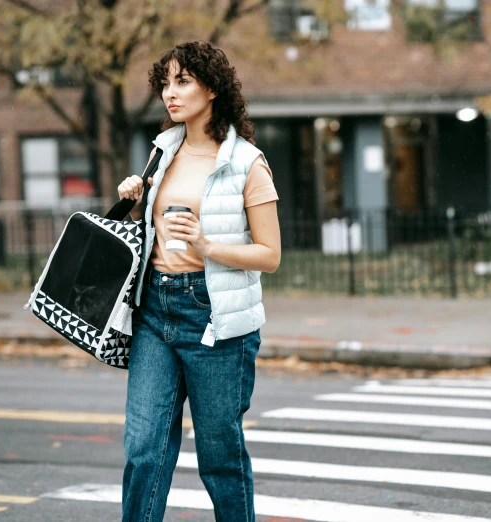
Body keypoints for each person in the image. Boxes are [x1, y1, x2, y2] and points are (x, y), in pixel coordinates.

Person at [116, 41, 281, 522]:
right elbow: (153, 232)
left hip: (215, 317)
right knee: (144, 449)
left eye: (182, 81)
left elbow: (269, 254)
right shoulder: (161, 153)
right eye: (165, 82)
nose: (170, 92)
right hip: (155, 310)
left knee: (220, 459)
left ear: (211, 88)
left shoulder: (247, 163)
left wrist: (208, 247)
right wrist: (135, 197)